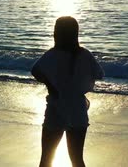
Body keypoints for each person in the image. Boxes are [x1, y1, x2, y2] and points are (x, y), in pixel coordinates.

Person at [31, 16, 104, 167]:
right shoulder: (85, 54)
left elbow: (35, 70)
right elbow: (99, 74)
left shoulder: (52, 54)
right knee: (77, 159)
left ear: (57, 33)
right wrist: (79, 84)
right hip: (78, 109)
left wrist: (50, 84)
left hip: (56, 108)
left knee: (46, 159)